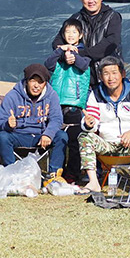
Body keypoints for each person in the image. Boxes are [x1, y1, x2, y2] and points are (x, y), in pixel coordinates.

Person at [79, 56, 130, 193]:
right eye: (106, 73)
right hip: (107, 145)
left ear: (123, 74)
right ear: (101, 77)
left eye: (114, 73)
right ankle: (94, 182)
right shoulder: (95, 94)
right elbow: (92, 122)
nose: (110, 78)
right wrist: (89, 124)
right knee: (84, 136)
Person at [0, 63, 68, 178]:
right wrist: (7, 124)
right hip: (18, 135)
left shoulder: (52, 96)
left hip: (41, 136)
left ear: (45, 84)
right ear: (26, 80)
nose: (36, 85)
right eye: (33, 80)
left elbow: (57, 119)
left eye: (40, 82)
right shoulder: (13, 95)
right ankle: (12, 173)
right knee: (3, 136)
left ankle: (54, 175)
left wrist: (48, 134)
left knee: (62, 136)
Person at [44, 19, 91, 183]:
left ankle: (72, 174)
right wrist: (61, 52)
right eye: (67, 32)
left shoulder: (84, 52)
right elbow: (47, 65)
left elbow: (84, 65)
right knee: (58, 139)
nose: (70, 35)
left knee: (75, 141)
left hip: (75, 105)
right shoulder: (58, 54)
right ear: (63, 35)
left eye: (74, 32)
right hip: (56, 104)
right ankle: (56, 173)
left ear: (81, 35)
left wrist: (73, 56)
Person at [51, 0, 122, 84]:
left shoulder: (112, 17)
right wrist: (65, 54)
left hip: (107, 76)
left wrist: (80, 54)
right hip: (81, 78)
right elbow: (57, 42)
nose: (90, 0)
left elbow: (112, 42)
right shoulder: (76, 18)